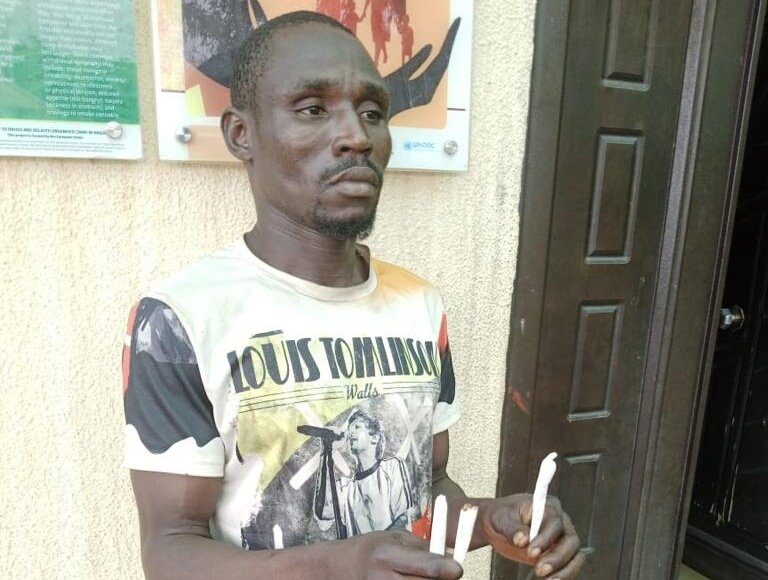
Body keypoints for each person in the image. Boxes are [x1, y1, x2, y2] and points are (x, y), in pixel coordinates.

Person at [123, 10, 585, 580]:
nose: (357, 137)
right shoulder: (181, 319)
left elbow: (427, 492)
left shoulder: (419, 304)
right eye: (313, 109)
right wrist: (335, 566)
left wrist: (491, 522)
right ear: (242, 135)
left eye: (372, 113)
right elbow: (171, 552)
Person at [311, 410, 416, 536]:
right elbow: (324, 513)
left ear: (374, 438)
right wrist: (327, 451)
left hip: (391, 547)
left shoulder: (392, 467)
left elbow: (403, 518)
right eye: (349, 429)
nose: (350, 433)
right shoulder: (345, 488)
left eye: (357, 427)